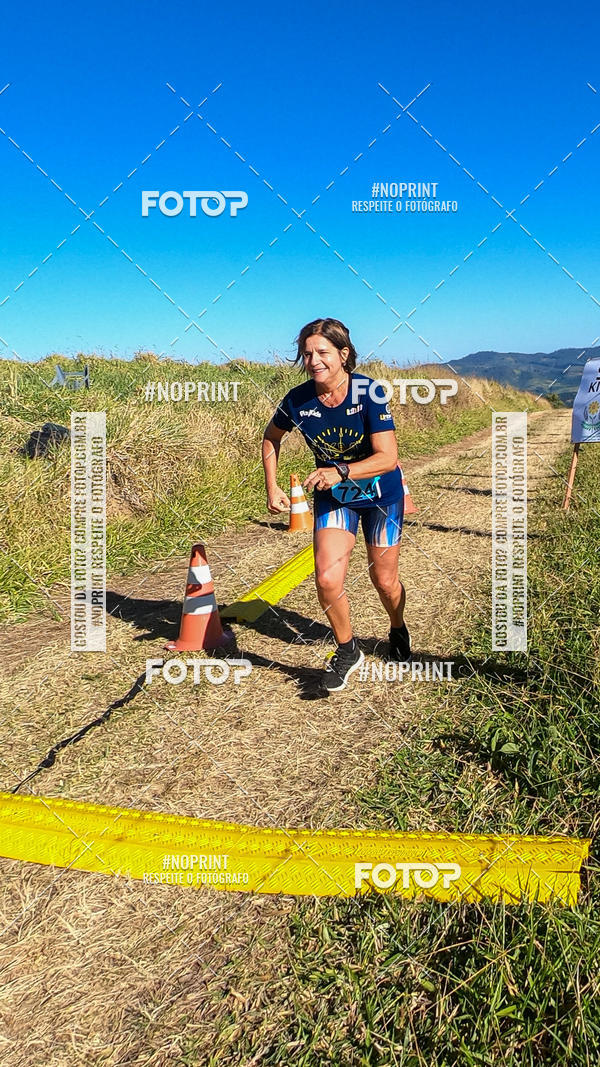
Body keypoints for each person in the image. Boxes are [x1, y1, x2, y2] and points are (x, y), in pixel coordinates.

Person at [262, 317, 411, 692]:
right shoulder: (297, 400)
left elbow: (388, 458)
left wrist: (340, 470)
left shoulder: (369, 392)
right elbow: (270, 438)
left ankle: (397, 626)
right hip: (335, 498)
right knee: (327, 579)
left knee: (385, 581)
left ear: (344, 354)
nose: (313, 361)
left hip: (380, 497)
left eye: (322, 352)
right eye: (307, 354)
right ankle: (348, 650)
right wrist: (272, 487)